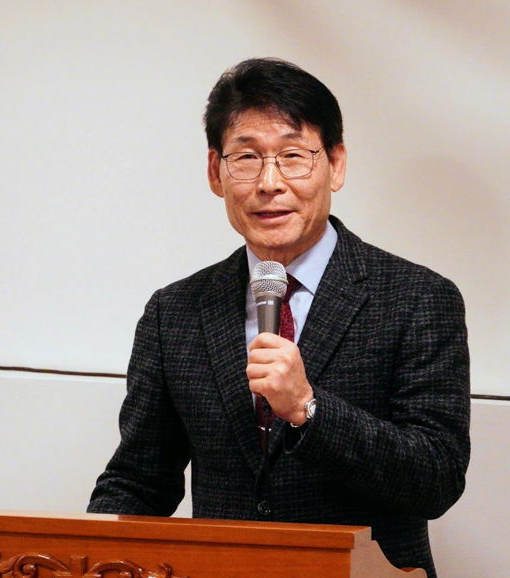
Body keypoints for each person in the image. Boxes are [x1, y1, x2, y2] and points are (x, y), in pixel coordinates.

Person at [88, 57, 470, 577]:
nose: (269, 183)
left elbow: (437, 478)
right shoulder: (174, 312)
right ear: (215, 172)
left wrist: (309, 408)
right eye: (246, 158)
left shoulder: (417, 298)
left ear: (335, 164)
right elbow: (138, 481)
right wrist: (88, 558)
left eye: (292, 156)